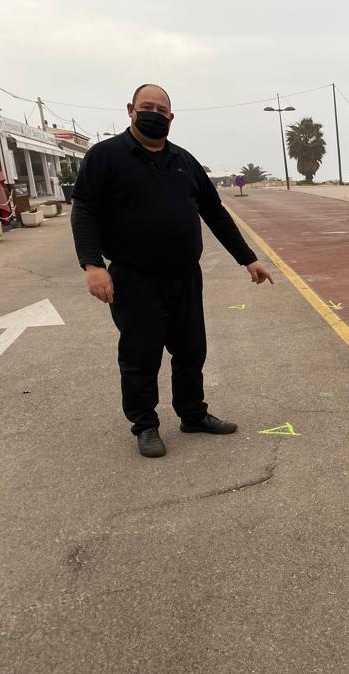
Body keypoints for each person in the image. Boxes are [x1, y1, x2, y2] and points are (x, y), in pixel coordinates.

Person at [71, 83, 273, 458]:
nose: (154, 113)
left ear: (171, 117)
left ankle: (193, 414)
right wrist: (93, 264)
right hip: (135, 277)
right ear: (131, 109)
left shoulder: (184, 160)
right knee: (141, 355)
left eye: (162, 109)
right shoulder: (106, 156)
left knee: (191, 350)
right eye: (147, 106)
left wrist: (248, 257)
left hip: (185, 276)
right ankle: (145, 425)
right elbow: (84, 210)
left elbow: (214, 212)